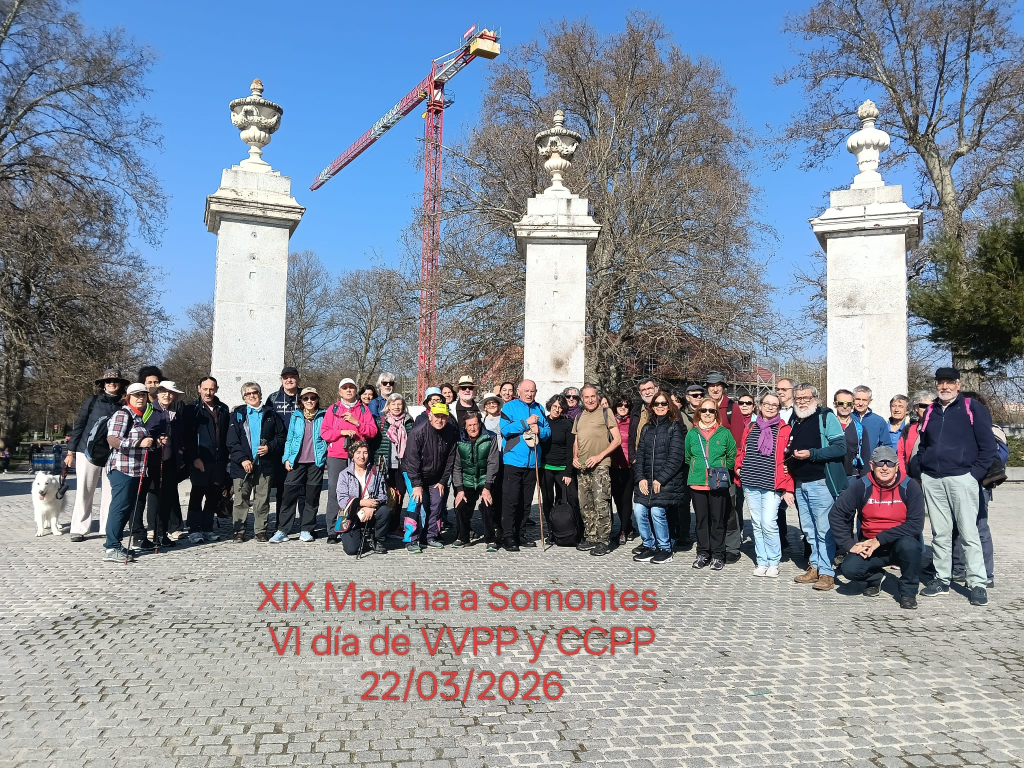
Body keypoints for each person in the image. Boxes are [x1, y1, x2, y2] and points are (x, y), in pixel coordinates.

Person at [916, 367, 996, 606]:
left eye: (949, 382)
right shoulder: (931, 411)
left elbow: (988, 446)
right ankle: (942, 578)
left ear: (958, 385)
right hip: (933, 479)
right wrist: (922, 468)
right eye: (941, 382)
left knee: (969, 533)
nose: (945, 387)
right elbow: (923, 444)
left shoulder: (973, 408)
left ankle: (977, 583)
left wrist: (974, 475)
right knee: (940, 533)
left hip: (962, 477)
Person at [830, 446, 924, 610]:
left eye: (890, 463)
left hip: (900, 544)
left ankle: (908, 593)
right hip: (869, 546)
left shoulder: (910, 486)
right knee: (849, 569)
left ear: (897, 466)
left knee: (910, 546)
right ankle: (875, 577)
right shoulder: (861, 486)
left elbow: (915, 525)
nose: (885, 467)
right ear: (872, 465)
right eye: (880, 463)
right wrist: (848, 544)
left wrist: (880, 539)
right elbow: (836, 514)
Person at [786, 384, 849, 591]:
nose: (802, 402)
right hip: (800, 483)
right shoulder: (795, 419)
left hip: (821, 482)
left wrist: (812, 454)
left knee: (823, 530)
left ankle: (827, 573)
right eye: (798, 398)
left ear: (816, 398)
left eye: (806, 398)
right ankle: (814, 566)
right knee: (809, 530)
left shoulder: (826, 417)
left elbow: (840, 448)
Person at [734, 392, 793, 577]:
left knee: (768, 523)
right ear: (760, 405)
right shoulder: (751, 426)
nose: (769, 407)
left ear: (779, 408)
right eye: (766, 403)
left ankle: (774, 562)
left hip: (772, 484)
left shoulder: (785, 429)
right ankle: (762, 561)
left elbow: (789, 459)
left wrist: (788, 488)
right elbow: (742, 450)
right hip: (750, 481)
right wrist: (738, 467)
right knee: (757, 524)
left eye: (774, 405)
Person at [67, 368, 128, 543]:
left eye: (115, 381)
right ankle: (79, 528)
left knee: (110, 492)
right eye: (108, 381)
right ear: (103, 384)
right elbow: (80, 425)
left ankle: (107, 527)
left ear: (120, 384)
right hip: (87, 450)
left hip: (113, 452)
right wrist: (70, 451)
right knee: (84, 490)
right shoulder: (92, 401)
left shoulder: (124, 404)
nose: (112, 384)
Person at [102, 383, 156, 562]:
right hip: (121, 468)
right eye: (136, 395)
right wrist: (139, 443)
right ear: (128, 397)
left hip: (135, 470)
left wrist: (153, 442)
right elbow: (113, 439)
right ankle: (111, 547)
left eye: (143, 395)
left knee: (126, 508)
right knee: (120, 507)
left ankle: (116, 544)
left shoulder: (138, 416)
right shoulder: (123, 414)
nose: (140, 398)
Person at [631, 391, 686, 565]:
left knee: (656, 511)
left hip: (666, 482)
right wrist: (640, 477)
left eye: (663, 403)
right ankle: (649, 545)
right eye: (657, 404)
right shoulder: (647, 428)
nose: (660, 407)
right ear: (652, 407)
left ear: (669, 406)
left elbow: (676, 457)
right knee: (639, 510)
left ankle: (665, 548)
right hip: (646, 481)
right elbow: (640, 456)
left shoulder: (674, 427)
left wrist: (660, 479)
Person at [226, 382, 285, 543]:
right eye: (248, 394)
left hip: (265, 465)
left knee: (262, 499)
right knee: (241, 499)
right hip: (242, 466)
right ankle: (239, 531)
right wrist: (243, 459)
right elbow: (232, 441)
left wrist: (269, 447)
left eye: (255, 392)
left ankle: (260, 531)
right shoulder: (237, 415)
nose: (252, 396)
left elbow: (281, 437)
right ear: (243, 397)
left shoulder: (271, 414)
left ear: (260, 394)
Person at [320, 378, 378, 542]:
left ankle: (357, 525)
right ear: (340, 392)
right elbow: (324, 433)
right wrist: (341, 432)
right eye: (345, 388)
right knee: (334, 490)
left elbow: (372, 431)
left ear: (355, 391)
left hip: (358, 456)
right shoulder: (333, 409)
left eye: (351, 387)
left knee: (359, 489)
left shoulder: (363, 409)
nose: (348, 390)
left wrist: (356, 423)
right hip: (337, 455)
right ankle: (333, 529)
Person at [685, 397, 736, 570]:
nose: (707, 413)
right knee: (701, 520)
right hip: (697, 483)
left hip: (718, 484)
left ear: (716, 413)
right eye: (704, 410)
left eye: (711, 410)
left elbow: (731, 455)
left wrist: (722, 469)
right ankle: (703, 553)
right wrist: (696, 467)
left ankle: (718, 555)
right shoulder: (692, 434)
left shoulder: (724, 433)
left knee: (718, 520)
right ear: (698, 412)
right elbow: (688, 456)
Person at [499, 379, 551, 552]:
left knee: (526, 501)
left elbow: (547, 432)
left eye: (532, 391)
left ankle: (520, 534)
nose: (529, 394)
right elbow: (505, 430)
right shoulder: (509, 407)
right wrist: (525, 423)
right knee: (511, 500)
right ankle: (508, 536)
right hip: (513, 460)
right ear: (519, 391)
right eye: (526, 391)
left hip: (532, 462)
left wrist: (540, 431)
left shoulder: (539, 408)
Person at [272, 387, 326, 543]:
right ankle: (283, 530)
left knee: (311, 497)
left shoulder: (323, 416)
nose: (309, 401)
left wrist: (324, 454)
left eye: (312, 398)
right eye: (306, 398)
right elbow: (290, 439)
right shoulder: (296, 416)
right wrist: (286, 458)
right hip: (296, 462)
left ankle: (306, 529)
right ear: (301, 401)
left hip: (315, 463)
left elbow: (327, 437)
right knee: (288, 496)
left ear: (317, 399)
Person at [572, 385, 621, 556]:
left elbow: (617, 440)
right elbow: (576, 441)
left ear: (597, 397)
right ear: (582, 399)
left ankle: (603, 540)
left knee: (601, 503)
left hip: (600, 465)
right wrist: (575, 457)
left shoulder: (606, 413)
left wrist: (600, 456)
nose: (590, 400)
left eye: (593, 396)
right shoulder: (579, 416)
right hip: (583, 466)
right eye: (586, 397)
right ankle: (591, 537)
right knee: (586, 504)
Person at [403, 402, 458, 552]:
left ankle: (430, 536)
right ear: (430, 416)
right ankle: (411, 539)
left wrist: (443, 481)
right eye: (437, 416)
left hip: (436, 476)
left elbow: (450, 458)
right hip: (413, 473)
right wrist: (416, 485)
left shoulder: (450, 432)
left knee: (437, 502)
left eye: (443, 417)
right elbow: (412, 460)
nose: (440, 420)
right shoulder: (418, 432)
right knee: (416, 502)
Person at [182, 377, 230, 544]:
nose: (208, 392)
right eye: (205, 389)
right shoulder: (192, 409)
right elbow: (187, 437)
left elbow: (225, 434)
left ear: (216, 389)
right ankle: (194, 529)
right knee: (197, 494)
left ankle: (208, 528)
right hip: (200, 459)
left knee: (213, 495)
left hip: (219, 460)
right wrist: (194, 457)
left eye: (211, 389)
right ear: (199, 388)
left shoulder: (223, 408)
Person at [142, 381, 186, 548]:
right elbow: (144, 431)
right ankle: (150, 531)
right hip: (152, 460)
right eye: (163, 392)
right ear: (157, 393)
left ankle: (162, 532)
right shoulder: (149, 410)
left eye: (170, 393)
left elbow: (179, 436)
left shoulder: (176, 413)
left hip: (170, 461)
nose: (167, 395)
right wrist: (156, 439)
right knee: (154, 497)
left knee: (167, 498)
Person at [452, 411, 501, 548]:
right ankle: (463, 536)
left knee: (487, 505)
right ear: (465, 427)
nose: (472, 428)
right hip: (467, 479)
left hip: (485, 478)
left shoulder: (490, 437)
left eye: (475, 424)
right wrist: (459, 489)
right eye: (469, 425)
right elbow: (456, 466)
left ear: (479, 424)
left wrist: (487, 487)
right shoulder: (458, 439)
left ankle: (490, 539)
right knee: (460, 505)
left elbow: (493, 463)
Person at [335, 441, 391, 555]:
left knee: (385, 510)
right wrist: (362, 503)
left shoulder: (375, 472)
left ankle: (378, 539)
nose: (362, 456)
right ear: (352, 455)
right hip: (351, 515)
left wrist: (371, 507)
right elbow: (342, 500)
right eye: (358, 452)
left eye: (365, 452)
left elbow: (383, 495)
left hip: (371, 511)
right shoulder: (344, 474)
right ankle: (357, 535)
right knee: (351, 550)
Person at [540, 394, 579, 543]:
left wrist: (569, 472)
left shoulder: (567, 424)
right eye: (554, 406)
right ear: (550, 406)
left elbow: (570, 449)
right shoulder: (543, 422)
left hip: (563, 468)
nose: (557, 409)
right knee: (548, 500)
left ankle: (573, 529)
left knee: (571, 499)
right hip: (546, 467)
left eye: (560, 407)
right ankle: (552, 531)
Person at [724, 388, 756, 564]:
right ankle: (739, 531)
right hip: (736, 469)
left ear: (753, 406)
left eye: (748, 403)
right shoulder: (733, 418)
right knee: (736, 504)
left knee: (753, 505)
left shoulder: (757, 422)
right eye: (741, 403)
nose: (744, 405)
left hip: (751, 469)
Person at [269, 366, 301, 526]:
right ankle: (281, 524)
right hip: (280, 450)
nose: (289, 380)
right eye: (285, 377)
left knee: (303, 489)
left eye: (292, 377)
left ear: (298, 379)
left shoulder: (306, 396)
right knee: (282, 488)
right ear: (281, 380)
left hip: (302, 448)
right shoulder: (273, 398)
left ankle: (306, 525)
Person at [375, 392, 414, 517]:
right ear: (388, 406)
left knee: (400, 494)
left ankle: (395, 524)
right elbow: (374, 445)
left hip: (403, 465)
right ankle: (383, 523)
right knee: (384, 494)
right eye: (393, 404)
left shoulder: (409, 422)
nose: (396, 407)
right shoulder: (381, 422)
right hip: (384, 465)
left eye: (399, 404)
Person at [610, 395, 635, 544]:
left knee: (626, 499)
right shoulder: (610, 421)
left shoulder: (632, 422)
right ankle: (629, 526)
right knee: (617, 499)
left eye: (626, 405)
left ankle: (623, 531)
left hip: (628, 465)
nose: (623, 408)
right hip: (612, 465)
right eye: (620, 405)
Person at [833, 389, 864, 480]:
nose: (845, 406)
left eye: (849, 404)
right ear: (835, 404)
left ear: (853, 405)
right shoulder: (827, 425)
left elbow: (865, 455)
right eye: (841, 403)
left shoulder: (859, 428)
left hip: (852, 476)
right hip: (831, 474)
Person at [852, 386, 888, 459]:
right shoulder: (847, 418)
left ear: (870, 401)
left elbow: (886, 446)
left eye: (864, 400)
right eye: (857, 399)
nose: (860, 403)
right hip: (849, 463)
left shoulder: (879, 421)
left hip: (870, 463)